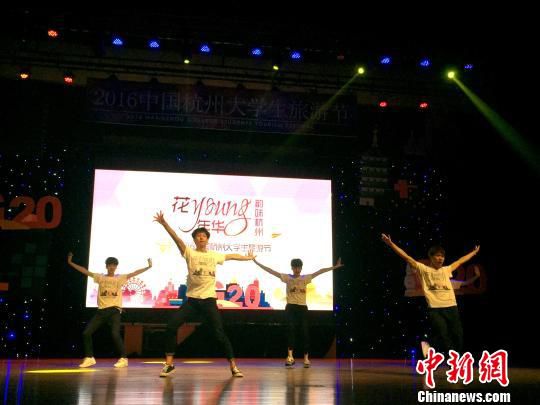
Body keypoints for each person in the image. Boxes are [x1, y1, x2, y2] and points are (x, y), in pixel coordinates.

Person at [153, 211, 255, 378]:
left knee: (219, 333)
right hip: (192, 301)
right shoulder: (189, 253)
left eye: (204, 236)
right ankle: (169, 364)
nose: (201, 238)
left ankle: (233, 366)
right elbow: (177, 239)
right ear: (194, 240)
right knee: (171, 326)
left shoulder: (214, 255)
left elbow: (231, 256)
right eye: (198, 236)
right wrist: (164, 224)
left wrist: (247, 257)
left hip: (208, 300)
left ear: (207, 239)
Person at [381, 234, 480, 356]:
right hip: (435, 308)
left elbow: (460, 261)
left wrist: (474, 252)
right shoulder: (424, 269)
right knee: (443, 333)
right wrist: (391, 244)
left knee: (458, 334)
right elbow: (406, 257)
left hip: (451, 307)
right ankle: (453, 357)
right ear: (431, 257)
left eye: (442, 256)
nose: (440, 258)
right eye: (437, 256)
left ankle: (448, 353)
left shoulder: (446, 270)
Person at [252, 256, 343, 367]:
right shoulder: (287, 277)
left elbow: (320, 271)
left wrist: (335, 267)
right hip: (291, 307)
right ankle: (290, 357)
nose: (297, 269)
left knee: (305, 332)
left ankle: (306, 358)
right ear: (292, 268)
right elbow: (271, 271)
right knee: (291, 331)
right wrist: (256, 262)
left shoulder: (305, 278)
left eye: (299, 267)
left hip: (302, 308)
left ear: (301, 268)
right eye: (295, 267)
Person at [67, 252, 153, 368]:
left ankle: (123, 358)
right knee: (86, 333)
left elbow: (134, 273)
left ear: (116, 267)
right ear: (106, 266)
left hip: (114, 310)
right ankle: (89, 358)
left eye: (114, 265)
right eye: (110, 265)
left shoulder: (120, 278)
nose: (112, 267)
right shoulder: (100, 277)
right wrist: (70, 262)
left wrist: (148, 267)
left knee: (115, 333)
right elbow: (85, 271)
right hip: (101, 311)